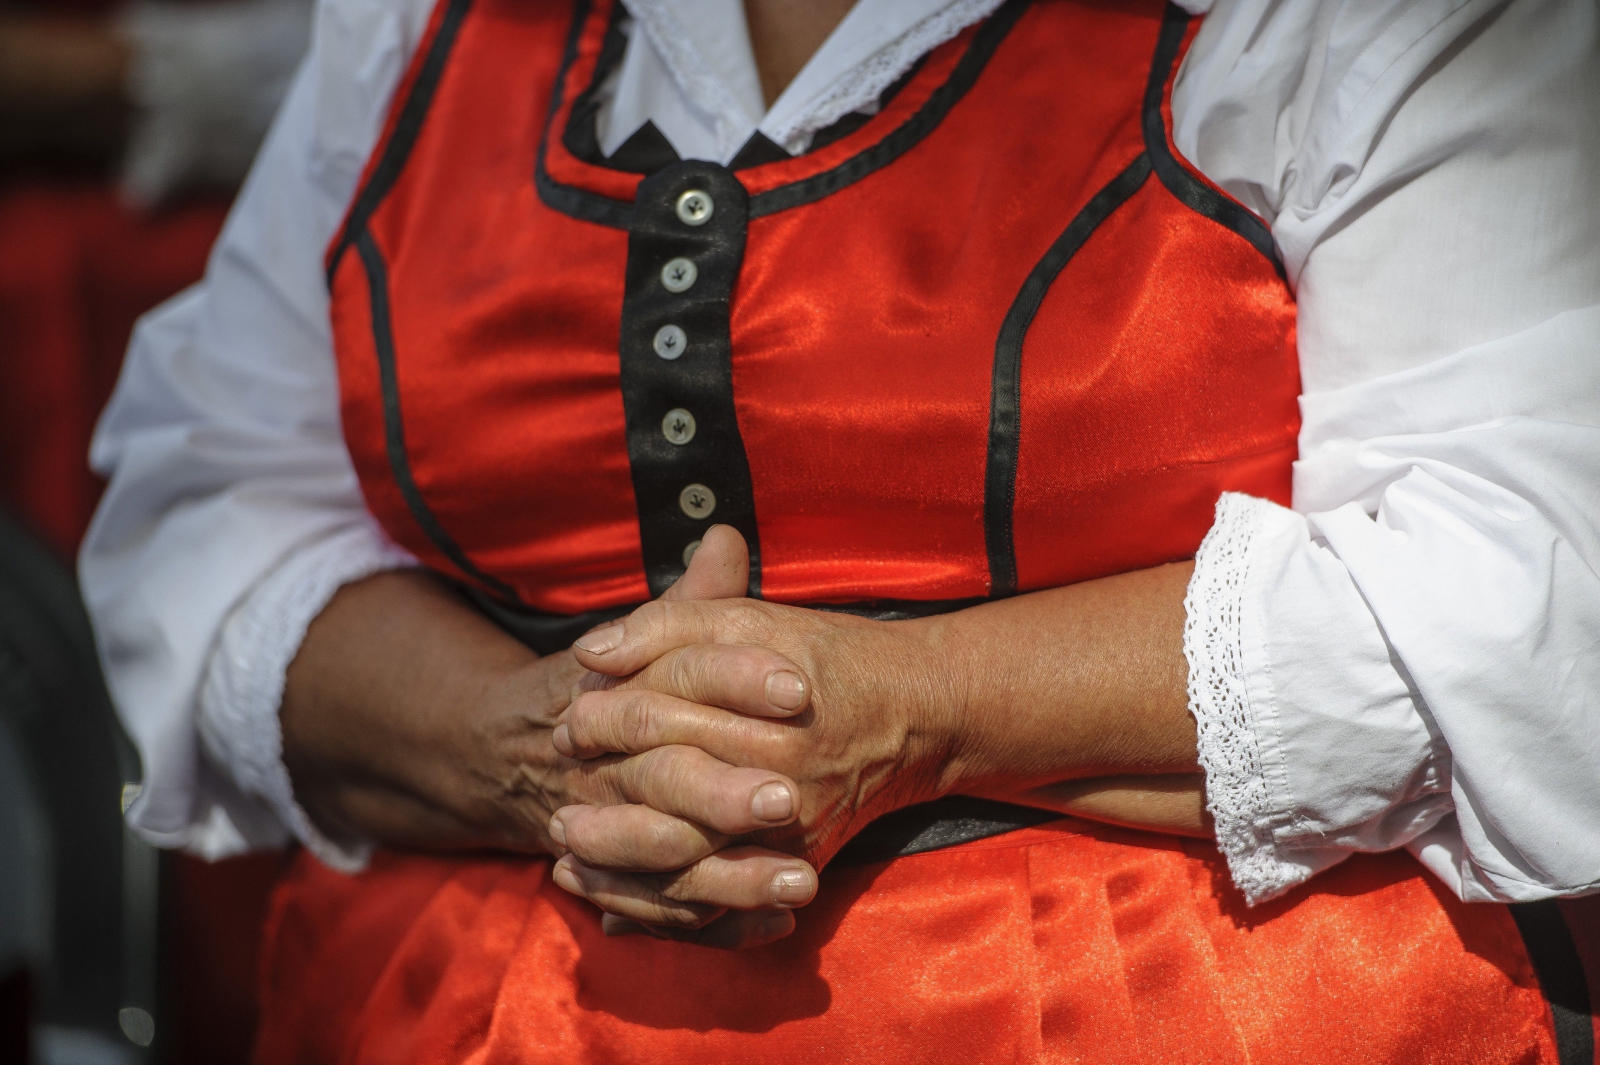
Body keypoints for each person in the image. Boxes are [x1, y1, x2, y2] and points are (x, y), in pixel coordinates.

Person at [81, 0, 1600, 1060]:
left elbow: (1532, 590)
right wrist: (541, 744)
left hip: (1164, 1013)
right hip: (465, 1017)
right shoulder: (421, 26)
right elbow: (213, 504)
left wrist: (914, 712)